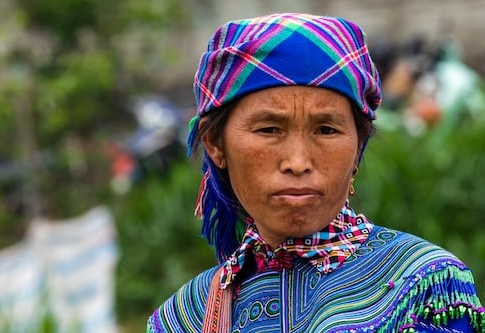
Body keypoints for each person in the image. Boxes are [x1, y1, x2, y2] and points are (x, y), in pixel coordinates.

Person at [147, 13, 484, 332]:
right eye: (268, 129)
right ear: (215, 144)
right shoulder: (184, 317)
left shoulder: (422, 285)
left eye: (326, 130)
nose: (297, 161)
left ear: (358, 144)